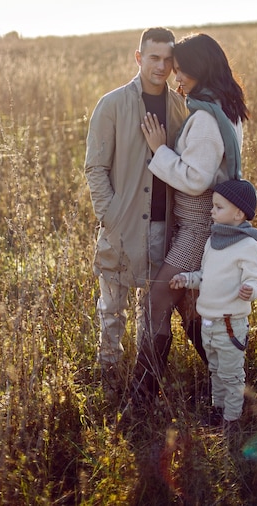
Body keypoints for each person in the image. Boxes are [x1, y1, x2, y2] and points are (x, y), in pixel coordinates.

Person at [130, 33, 249, 402]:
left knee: (158, 300)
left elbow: (196, 179)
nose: (174, 77)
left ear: (199, 70)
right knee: (193, 307)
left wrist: (159, 151)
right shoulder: (222, 108)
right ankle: (230, 387)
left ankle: (142, 394)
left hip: (198, 229)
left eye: (180, 71)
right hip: (206, 226)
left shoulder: (205, 120)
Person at [84, 27, 188, 395]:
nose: (161, 66)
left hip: (165, 227)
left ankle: (146, 382)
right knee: (112, 309)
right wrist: (110, 217)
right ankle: (108, 375)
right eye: (153, 57)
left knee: (152, 310)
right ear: (138, 57)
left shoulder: (181, 107)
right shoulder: (111, 105)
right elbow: (95, 168)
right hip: (120, 226)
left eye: (167, 59)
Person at [170, 179, 257, 430]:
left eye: (218, 207)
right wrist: (187, 279)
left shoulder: (248, 246)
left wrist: (250, 290)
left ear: (239, 213)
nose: (212, 211)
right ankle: (218, 409)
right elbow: (206, 275)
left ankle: (231, 421)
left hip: (230, 324)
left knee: (231, 375)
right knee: (215, 370)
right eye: (213, 206)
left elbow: (255, 280)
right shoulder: (213, 241)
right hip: (208, 323)